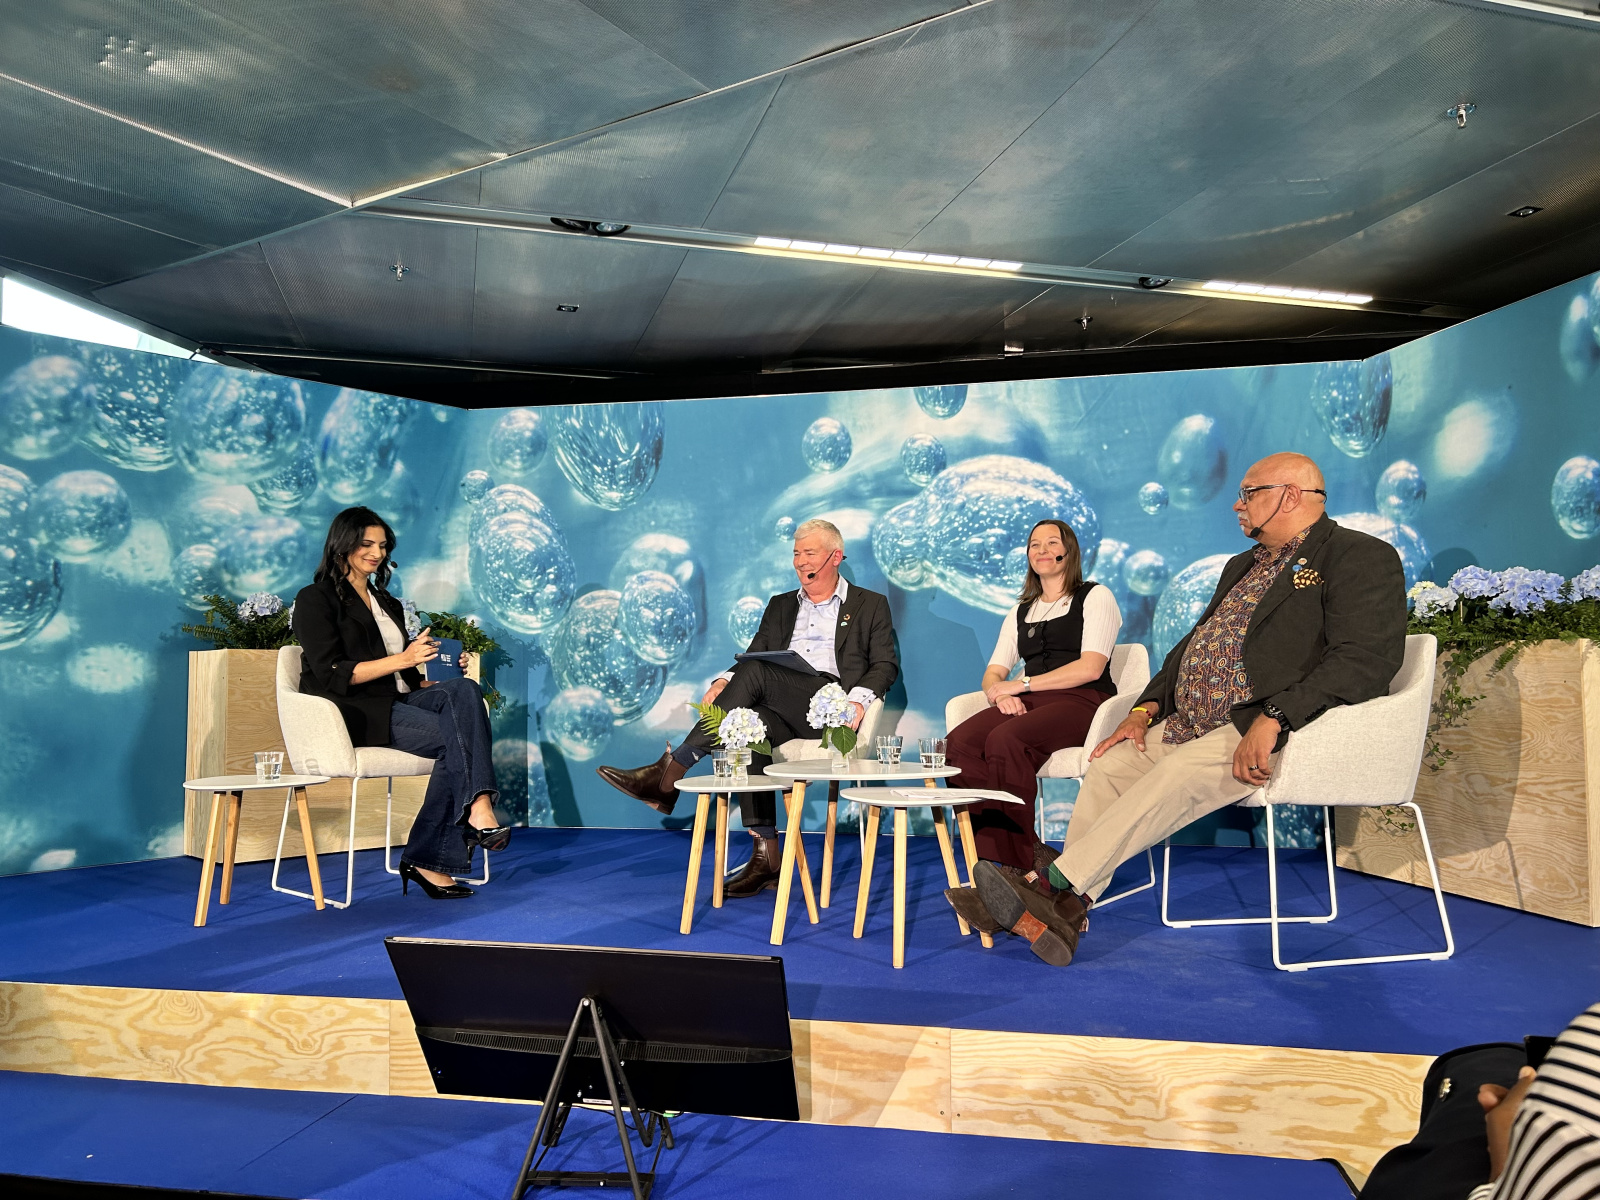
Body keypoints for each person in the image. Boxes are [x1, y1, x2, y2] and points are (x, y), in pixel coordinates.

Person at [963, 452, 1406, 966]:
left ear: (1290, 495)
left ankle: (1051, 885)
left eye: (1249, 493)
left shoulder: (1358, 555)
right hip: (1191, 721)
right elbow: (1189, 650)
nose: (1237, 506)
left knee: (1174, 774)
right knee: (1110, 766)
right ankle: (1063, 911)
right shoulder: (1243, 565)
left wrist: (1276, 717)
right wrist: (1145, 709)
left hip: (1267, 725)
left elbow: (1365, 660)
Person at [596, 519, 899, 897]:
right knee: (743, 724)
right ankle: (767, 855)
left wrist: (857, 700)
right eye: (795, 553)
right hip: (781, 702)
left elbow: (885, 664)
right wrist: (724, 679)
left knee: (755, 674)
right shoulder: (781, 605)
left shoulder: (869, 604)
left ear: (834, 557)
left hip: (829, 707)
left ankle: (668, 774)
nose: (799, 561)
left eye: (809, 553)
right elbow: (755, 653)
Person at [292, 506, 507, 900]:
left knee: (465, 690)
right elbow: (334, 673)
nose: (376, 552)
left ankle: (468, 815)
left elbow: (407, 680)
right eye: (367, 543)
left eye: (383, 545)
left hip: (397, 700)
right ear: (343, 543)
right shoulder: (314, 599)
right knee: (454, 741)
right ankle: (456, 828)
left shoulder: (386, 602)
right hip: (353, 711)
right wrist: (405, 658)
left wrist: (433, 667)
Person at [942, 519, 1121, 929]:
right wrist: (1000, 694)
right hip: (1029, 700)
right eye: (1033, 544)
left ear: (1068, 552)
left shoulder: (1095, 597)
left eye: (1051, 542)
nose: (1041, 549)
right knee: (958, 745)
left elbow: (1091, 667)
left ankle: (1011, 869)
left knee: (1007, 739)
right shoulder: (1021, 609)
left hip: (1082, 700)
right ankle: (1017, 859)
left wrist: (1020, 684)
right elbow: (993, 672)